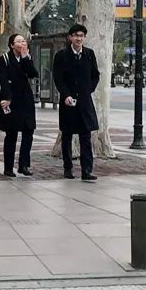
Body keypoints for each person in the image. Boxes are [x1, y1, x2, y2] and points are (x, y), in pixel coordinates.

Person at [53, 23, 101, 181]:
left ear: (84, 37)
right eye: (75, 36)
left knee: (85, 136)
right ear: (70, 37)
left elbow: (95, 75)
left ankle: (87, 170)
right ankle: (68, 168)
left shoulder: (89, 54)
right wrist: (66, 95)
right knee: (67, 136)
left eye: (81, 36)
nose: (78, 39)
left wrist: (89, 90)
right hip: (68, 102)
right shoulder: (61, 56)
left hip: (84, 102)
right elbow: (58, 78)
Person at [0, 33, 39, 177]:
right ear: (12, 45)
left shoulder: (27, 57)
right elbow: (3, 80)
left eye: (24, 41)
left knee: (29, 132)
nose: (22, 43)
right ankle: (8, 167)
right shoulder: (5, 58)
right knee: (11, 134)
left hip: (26, 99)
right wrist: (8, 98)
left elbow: (33, 73)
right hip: (11, 99)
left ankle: (24, 165)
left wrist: (25, 58)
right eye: (19, 41)